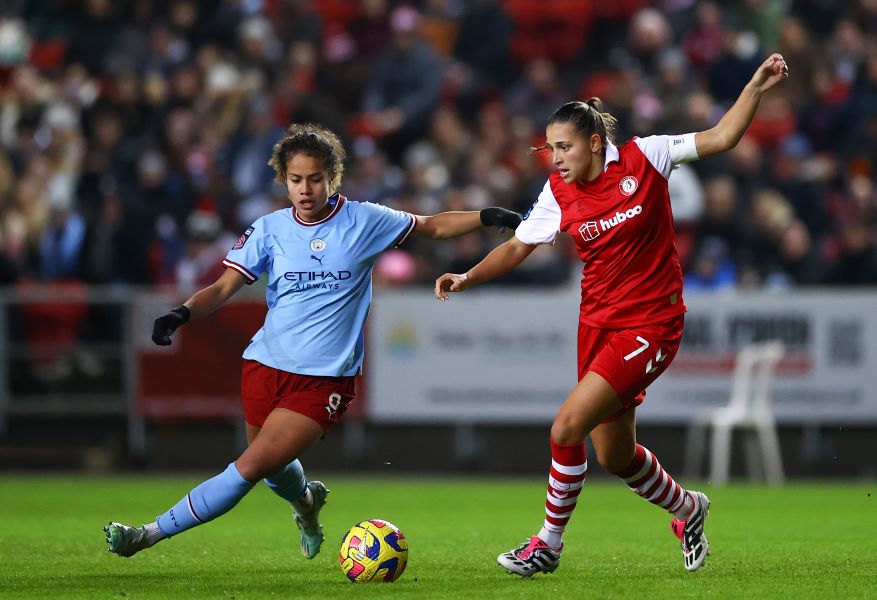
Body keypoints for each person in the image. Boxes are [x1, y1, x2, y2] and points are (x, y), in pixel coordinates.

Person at [435, 54, 790, 575]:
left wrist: (756, 87)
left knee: (566, 427)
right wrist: (468, 276)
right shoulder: (558, 193)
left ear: (595, 143)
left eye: (564, 146)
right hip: (597, 326)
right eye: (550, 148)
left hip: (652, 324)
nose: (555, 158)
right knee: (616, 456)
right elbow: (518, 246)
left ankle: (548, 545)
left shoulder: (648, 156)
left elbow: (721, 138)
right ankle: (690, 509)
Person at [104, 123, 521, 559]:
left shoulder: (364, 220)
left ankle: (147, 535)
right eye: (296, 179)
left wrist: (487, 216)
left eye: (315, 178)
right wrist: (182, 312)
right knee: (271, 468)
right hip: (264, 365)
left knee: (248, 468)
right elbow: (225, 287)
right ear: (283, 180)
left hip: (324, 380)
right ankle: (307, 505)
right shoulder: (269, 229)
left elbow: (431, 226)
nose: (305, 189)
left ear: (332, 177)